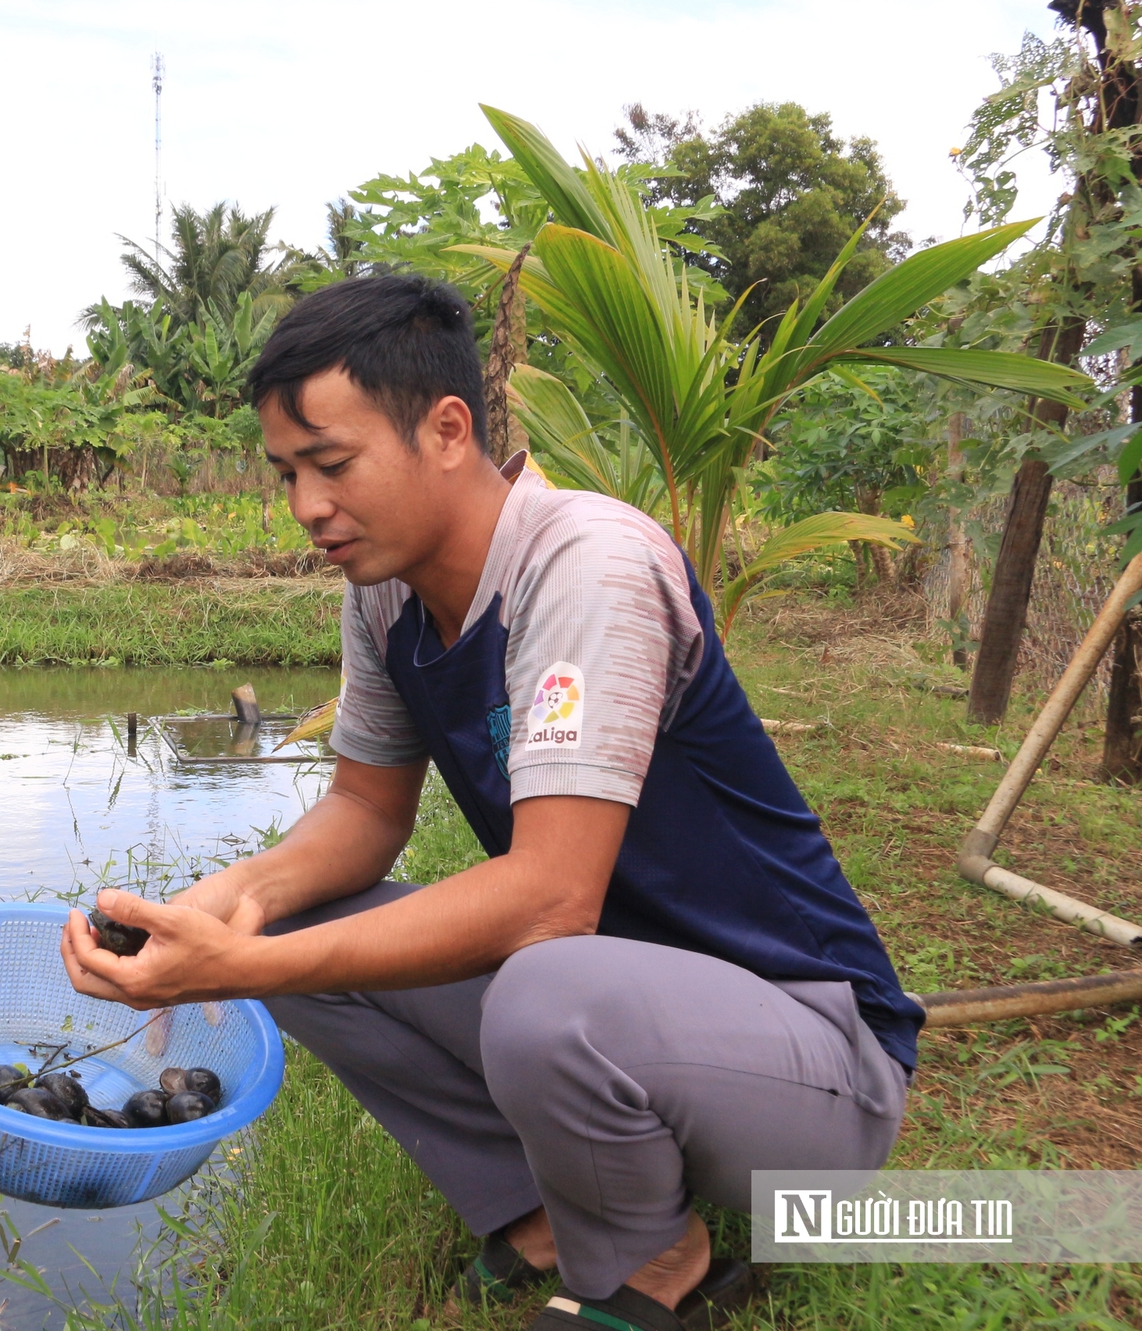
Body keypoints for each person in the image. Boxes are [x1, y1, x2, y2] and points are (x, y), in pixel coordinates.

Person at [62, 275, 919, 1331]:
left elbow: (552, 899)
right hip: (622, 1002)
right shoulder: (386, 591)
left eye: (332, 464)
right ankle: (542, 1209)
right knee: (285, 921)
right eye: (287, 473)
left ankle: (658, 1254)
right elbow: (364, 811)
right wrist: (227, 905)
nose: (305, 508)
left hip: (814, 1067)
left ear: (446, 430)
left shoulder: (584, 564)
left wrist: (242, 970)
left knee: (540, 987)